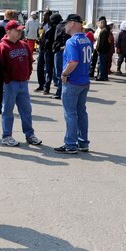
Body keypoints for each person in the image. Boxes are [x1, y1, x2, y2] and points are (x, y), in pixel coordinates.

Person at [0, 20, 42, 147]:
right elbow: (0, 67)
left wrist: (27, 74)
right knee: (7, 110)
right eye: (17, 30)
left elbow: (29, 61)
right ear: (8, 31)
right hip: (10, 84)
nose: (20, 32)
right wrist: (6, 79)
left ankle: (30, 135)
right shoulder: (3, 47)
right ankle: (7, 136)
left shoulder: (24, 45)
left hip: (23, 83)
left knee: (26, 110)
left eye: (20, 30)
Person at [54, 14, 92, 154]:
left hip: (73, 82)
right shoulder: (86, 39)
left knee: (70, 113)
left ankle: (70, 144)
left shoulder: (72, 42)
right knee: (81, 112)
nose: (64, 27)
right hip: (84, 81)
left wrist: (64, 74)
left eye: (66, 24)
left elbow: (73, 62)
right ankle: (83, 142)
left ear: (72, 24)